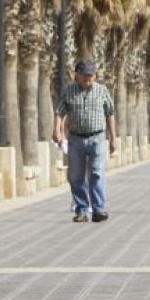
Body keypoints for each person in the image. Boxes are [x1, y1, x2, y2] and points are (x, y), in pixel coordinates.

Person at [54, 61, 118, 223]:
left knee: (97, 173)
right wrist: (57, 130)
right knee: (76, 176)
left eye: (91, 75)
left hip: (97, 138)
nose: (89, 78)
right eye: (85, 75)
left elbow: (110, 114)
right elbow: (60, 112)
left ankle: (98, 209)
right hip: (76, 139)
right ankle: (82, 210)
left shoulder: (102, 91)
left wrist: (113, 139)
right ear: (77, 75)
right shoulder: (69, 92)